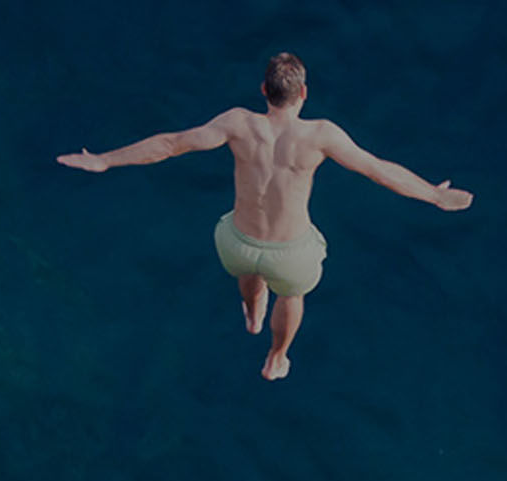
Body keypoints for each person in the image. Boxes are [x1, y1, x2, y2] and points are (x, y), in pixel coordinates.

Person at [58, 52, 474, 380]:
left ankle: (253, 313)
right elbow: (378, 170)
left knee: (249, 268)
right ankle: (277, 355)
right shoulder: (320, 135)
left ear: (263, 90)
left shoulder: (238, 123)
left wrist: (105, 160)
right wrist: (433, 195)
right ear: (304, 93)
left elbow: (170, 144)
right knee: (291, 296)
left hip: (237, 244)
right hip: (290, 254)